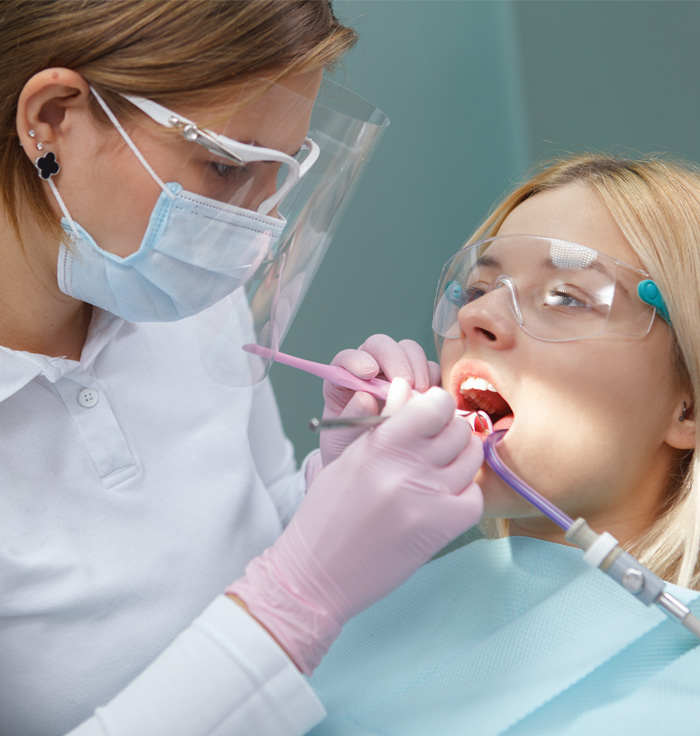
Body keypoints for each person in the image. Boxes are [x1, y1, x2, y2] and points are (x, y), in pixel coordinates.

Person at [0, 3, 484, 735]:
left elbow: (248, 541)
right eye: (225, 166)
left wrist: (332, 494)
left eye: (278, 177)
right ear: (52, 117)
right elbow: (282, 597)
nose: (253, 241)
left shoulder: (184, 300)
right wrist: (295, 600)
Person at [305, 152, 700, 735]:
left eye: (568, 296)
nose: (479, 316)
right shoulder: (365, 608)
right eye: (476, 289)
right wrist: (317, 556)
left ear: (688, 404)